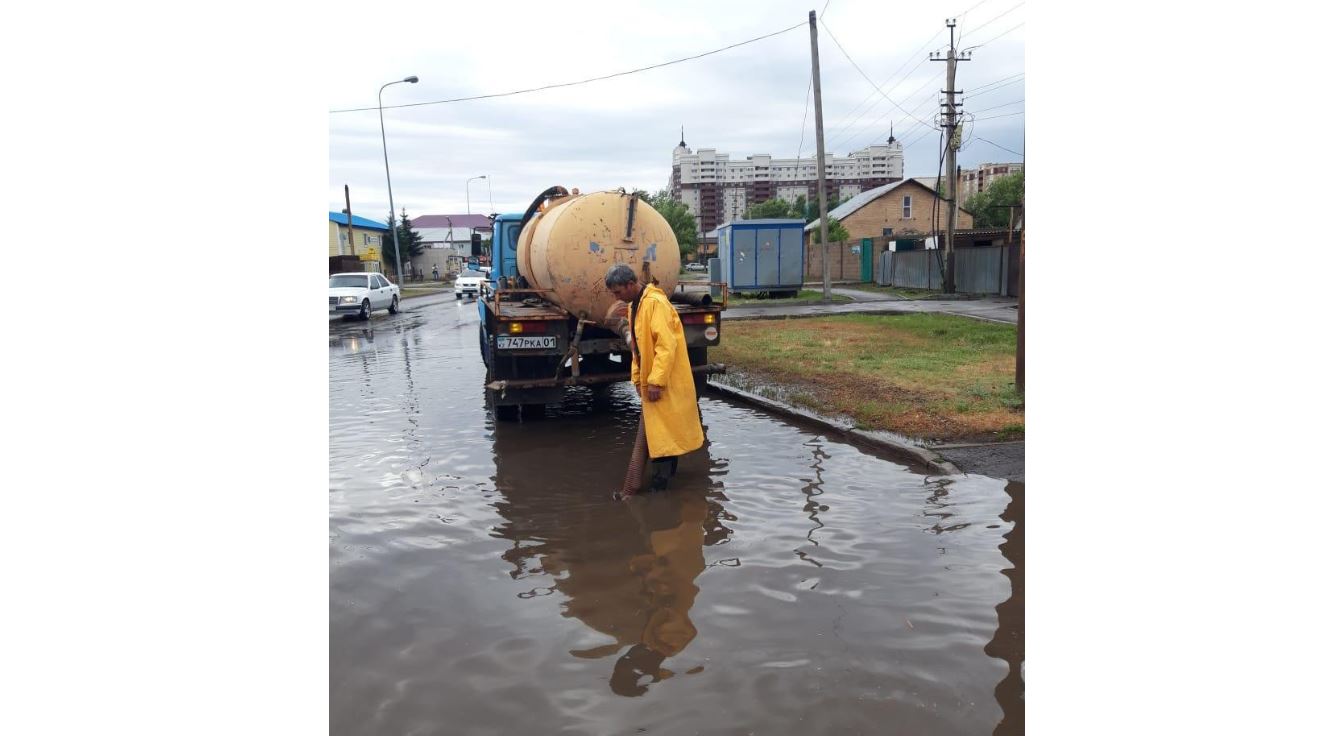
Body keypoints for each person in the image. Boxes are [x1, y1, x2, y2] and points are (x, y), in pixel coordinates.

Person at [604, 264, 704, 493]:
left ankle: (660, 488)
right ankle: (664, 481)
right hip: (653, 379)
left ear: (631, 284)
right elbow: (638, 349)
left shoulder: (655, 304)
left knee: (663, 434)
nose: (616, 297)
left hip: (665, 380)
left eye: (618, 292)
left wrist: (656, 381)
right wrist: (638, 380)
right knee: (661, 432)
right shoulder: (635, 306)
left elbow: (665, 347)